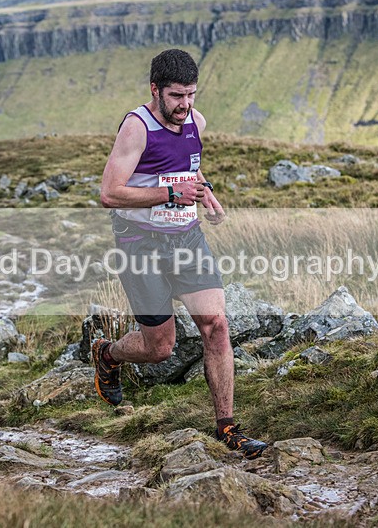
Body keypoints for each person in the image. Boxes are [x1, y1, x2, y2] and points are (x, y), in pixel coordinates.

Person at [93, 48, 267, 459]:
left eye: (191, 95)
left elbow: (190, 167)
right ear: (155, 90)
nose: (185, 106)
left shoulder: (196, 121)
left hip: (186, 238)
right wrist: (171, 193)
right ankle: (107, 354)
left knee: (217, 326)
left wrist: (206, 194)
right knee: (161, 348)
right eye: (176, 96)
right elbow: (108, 194)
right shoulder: (137, 129)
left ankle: (227, 427)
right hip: (140, 245)